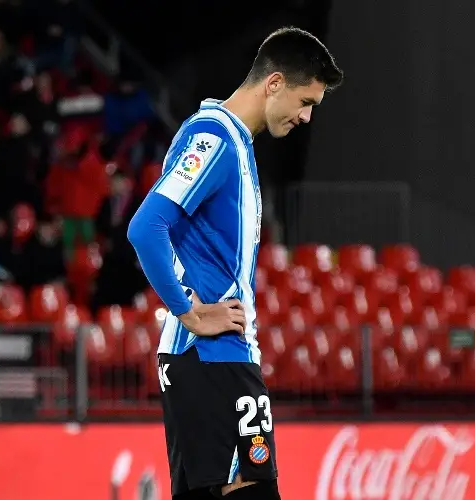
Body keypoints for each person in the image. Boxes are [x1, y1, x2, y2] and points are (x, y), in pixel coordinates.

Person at [127, 27, 343, 499]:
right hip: (211, 357)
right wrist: (188, 311)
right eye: (305, 101)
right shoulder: (215, 139)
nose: (306, 117)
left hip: (216, 359)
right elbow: (146, 227)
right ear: (274, 83)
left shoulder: (232, 142)